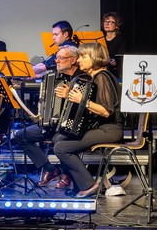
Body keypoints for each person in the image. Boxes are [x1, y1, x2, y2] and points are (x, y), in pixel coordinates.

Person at [52, 41, 124, 198]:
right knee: (58, 138)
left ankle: (90, 185)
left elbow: (106, 111)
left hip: (110, 129)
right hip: (101, 128)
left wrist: (82, 100)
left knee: (61, 148)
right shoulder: (95, 77)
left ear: (94, 57)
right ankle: (79, 185)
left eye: (83, 57)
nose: (78, 60)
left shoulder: (103, 77)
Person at [10, 45, 84, 189]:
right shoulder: (54, 77)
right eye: (57, 58)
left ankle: (67, 173)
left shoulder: (81, 78)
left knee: (60, 139)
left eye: (61, 58)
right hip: (52, 124)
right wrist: (43, 103)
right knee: (21, 136)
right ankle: (51, 170)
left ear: (73, 60)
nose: (57, 61)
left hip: (71, 126)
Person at [102, 11, 125, 78]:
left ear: (117, 26)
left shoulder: (120, 39)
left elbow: (120, 56)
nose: (107, 24)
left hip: (115, 72)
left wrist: (115, 61)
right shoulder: (100, 38)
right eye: (105, 21)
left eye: (110, 22)